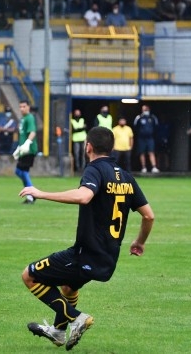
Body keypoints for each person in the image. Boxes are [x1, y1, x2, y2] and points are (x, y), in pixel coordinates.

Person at [19, 126, 154, 351]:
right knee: (69, 288)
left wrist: (41, 193)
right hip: (108, 258)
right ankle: (59, 332)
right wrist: (139, 242)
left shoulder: (94, 169)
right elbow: (149, 216)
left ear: (88, 146)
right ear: (111, 149)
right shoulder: (126, 177)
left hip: (85, 254)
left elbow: (84, 196)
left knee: (29, 275)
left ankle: (77, 318)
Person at [13, 100, 38, 204]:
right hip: (23, 150)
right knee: (19, 171)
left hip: (29, 150)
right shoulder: (23, 119)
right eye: (20, 107)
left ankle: (31, 194)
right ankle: (30, 192)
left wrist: (28, 143)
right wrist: (19, 148)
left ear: (28, 107)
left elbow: (32, 132)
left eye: (24, 106)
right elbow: (22, 135)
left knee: (23, 171)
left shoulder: (30, 118)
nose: (22, 108)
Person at [133, 104, 160, 173]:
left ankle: (154, 167)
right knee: (142, 152)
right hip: (141, 138)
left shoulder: (153, 117)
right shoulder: (139, 117)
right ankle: (143, 167)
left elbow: (156, 127)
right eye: (144, 109)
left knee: (151, 152)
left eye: (146, 109)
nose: (145, 110)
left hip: (150, 138)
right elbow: (135, 127)